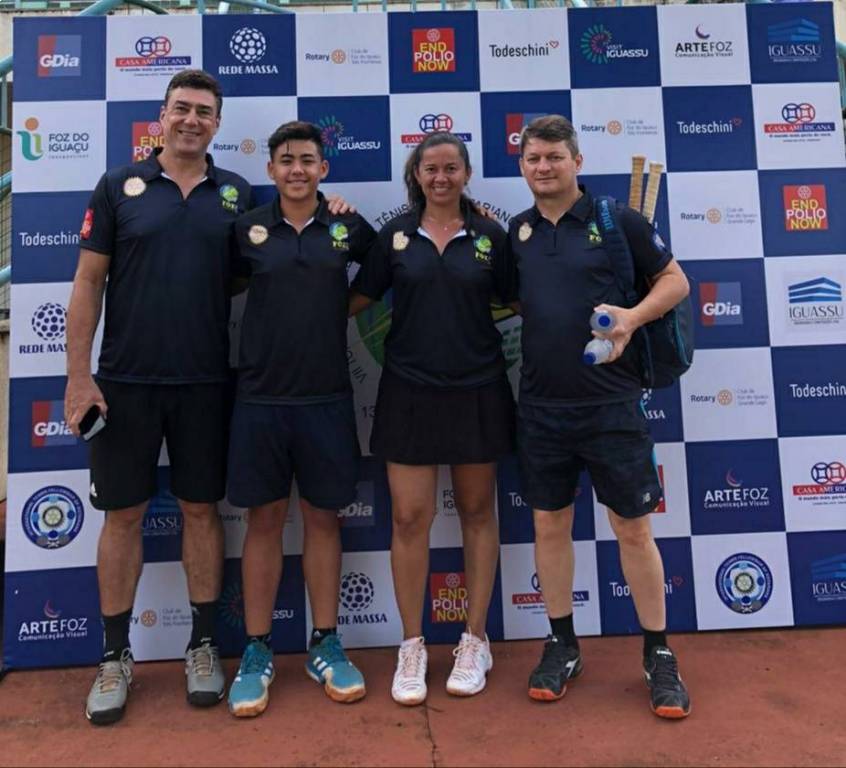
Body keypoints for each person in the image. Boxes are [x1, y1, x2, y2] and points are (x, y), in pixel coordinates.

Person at [64, 70, 251, 725]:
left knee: (201, 511)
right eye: (182, 108)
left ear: (217, 124)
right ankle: (114, 657)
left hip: (205, 382)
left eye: (204, 111)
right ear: (161, 116)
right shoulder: (119, 186)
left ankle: (202, 646)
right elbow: (88, 282)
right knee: (122, 517)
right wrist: (78, 376)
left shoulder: (238, 194)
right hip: (124, 384)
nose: (192, 120)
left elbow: (274, 256)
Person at [506, 115, 692, 719]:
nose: (544, 167)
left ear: (577, 161)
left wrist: (631, 319)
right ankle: (562, 644)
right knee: (549, 527)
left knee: (633, 531)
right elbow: (519, 302)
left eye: (554, 157)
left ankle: (658, 653)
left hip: (612, 406)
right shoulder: (518, 231)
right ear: (522, 166)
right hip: (541, 408)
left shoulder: (617, 220)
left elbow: (676, 282)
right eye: (533, 158)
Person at [349, 132, 514, 705]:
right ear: (415, 176)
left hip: (478, 388)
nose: (440, 177)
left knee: (477, 512)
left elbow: (529, 302)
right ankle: (412, 644)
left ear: (466, 173)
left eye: (450, 168)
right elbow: (356, 300)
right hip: (409, 391)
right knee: (409, 518)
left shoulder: (491, 236)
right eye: (430, 169)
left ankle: (475, 640)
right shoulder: (395, 236)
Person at [225, 121, 375, 717]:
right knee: (263, 522)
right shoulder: (246, 229)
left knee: (322, 520)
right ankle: (257, 650)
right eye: (286, 160)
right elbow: (224, 287)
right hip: (259, 399)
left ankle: (325, 643)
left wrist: (338, 309)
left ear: (323, 169)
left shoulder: (347, 227)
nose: (297, 169)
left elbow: (386, 273)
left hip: (326, 399)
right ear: (271, 169)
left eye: (308, 160)